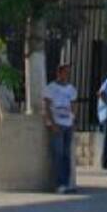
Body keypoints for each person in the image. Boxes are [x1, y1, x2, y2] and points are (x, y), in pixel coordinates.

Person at [43, 63, 79, 194]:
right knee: (58, 154)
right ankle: (59, 184)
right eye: (65, 72)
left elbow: (73, 105)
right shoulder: (51, 88)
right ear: (59, 73)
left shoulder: (71, 89)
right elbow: (47, 106)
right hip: (57, 124)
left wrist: (73, 120)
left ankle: (66, 182)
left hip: (68, 123)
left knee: (66, 155)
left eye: (68, 72)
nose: (67, 75)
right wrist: (52, 123)